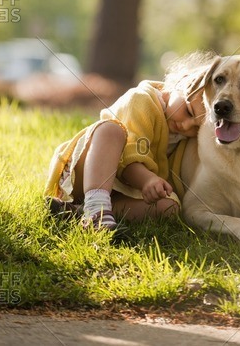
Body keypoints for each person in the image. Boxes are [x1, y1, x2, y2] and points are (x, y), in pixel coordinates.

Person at [44, 51, 215, 240]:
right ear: (180, 84)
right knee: (110, 130)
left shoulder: (181, 135)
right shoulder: (142, 100)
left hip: (122, 190)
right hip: (87, 171)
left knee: (170, 206)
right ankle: (97, 208)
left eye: (196, 128)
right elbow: (129, 157)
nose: (186, 126)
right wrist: (148, 180)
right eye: (189, 112)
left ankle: (77, 213)